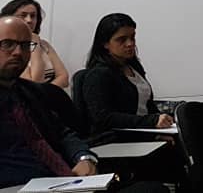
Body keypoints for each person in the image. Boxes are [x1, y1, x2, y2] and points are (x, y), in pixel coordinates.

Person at [0, 16, 164, 193]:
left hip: (65, 182)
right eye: (7, 44)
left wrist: (84, 157)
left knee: (153, 189)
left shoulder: (31, 92)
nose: (18, 52)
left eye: (25, 45)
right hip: (20, 186)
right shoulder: (99, 75)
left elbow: (62, 133)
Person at [78, 13, 186, 189]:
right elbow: (103, 118)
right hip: (115, 140)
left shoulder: (134, 67)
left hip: (140, 134)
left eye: (132, 37)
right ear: (105, 43)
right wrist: (152, 123)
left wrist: (160, 125)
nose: (130, 44)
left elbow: (147, 104)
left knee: (187, 143)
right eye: (122, 39)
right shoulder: (98, 75)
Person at [1, 0, 69, 88]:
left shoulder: (44, 45)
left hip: (45, 94)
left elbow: (64, 78)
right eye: (23, 15)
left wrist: (46, 93)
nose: (29, 20)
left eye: (33, 16)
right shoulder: (10, 48)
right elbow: (34, 81)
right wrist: (35, 45)